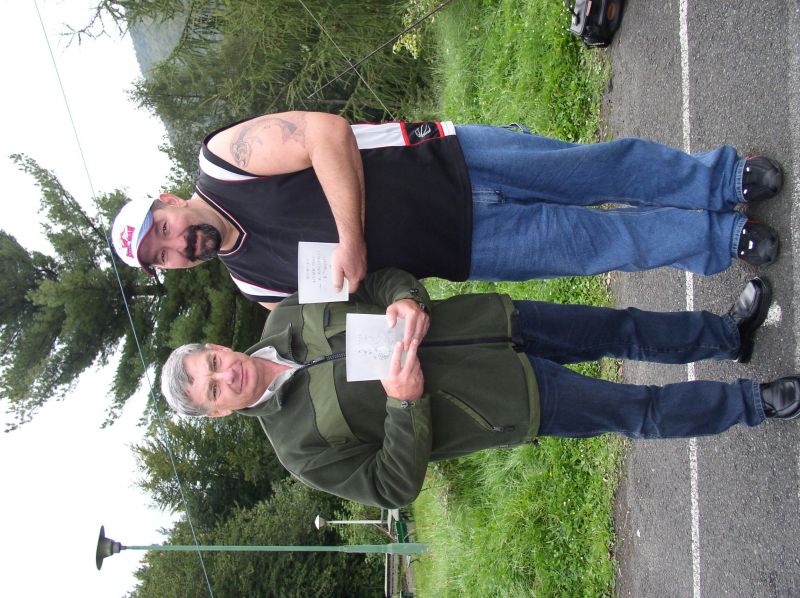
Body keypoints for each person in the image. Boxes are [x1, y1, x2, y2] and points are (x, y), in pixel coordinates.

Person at [161, 270, 798, 508]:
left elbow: (375, 279)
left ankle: (726, 335)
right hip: (505, 402)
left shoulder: (288, 312)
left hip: (495, 321)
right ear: (218, 413)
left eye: (213, 363)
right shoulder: (297, 451)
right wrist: (404, 402)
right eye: (213, 389)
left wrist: (406, 298)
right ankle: (754, 403)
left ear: (218, 347)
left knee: (620, 327)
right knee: (640, 412)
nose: (225, 374)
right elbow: (391, 487)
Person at [112, 112, 783, 309]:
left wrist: (350, 238)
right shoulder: (256, 286)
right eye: (160, 258)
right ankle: (723, 240)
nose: (176, 246)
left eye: (162, 230)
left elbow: (325, 134)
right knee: (608, 245)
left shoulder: (226, 161)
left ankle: (722, 178)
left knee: (599, 167)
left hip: (454, 159)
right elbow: (351, 310)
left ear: (168, 200)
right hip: (466, 248)